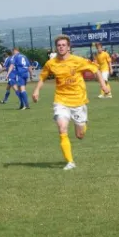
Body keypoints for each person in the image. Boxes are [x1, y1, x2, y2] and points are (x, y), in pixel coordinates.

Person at [32, 35, 109, 170]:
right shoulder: (51, 63)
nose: (61, 47)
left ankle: (82, 125)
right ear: (57, 47)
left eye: (63, 45)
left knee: (80, 135)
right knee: (62, 128)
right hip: (61, 100)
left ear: (68, 47)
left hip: (78, 100)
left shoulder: (78, 60)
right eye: (59, 45)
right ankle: (70, 162)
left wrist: (103, 85)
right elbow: (42, 77)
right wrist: (37, 90)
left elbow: (96, 70)